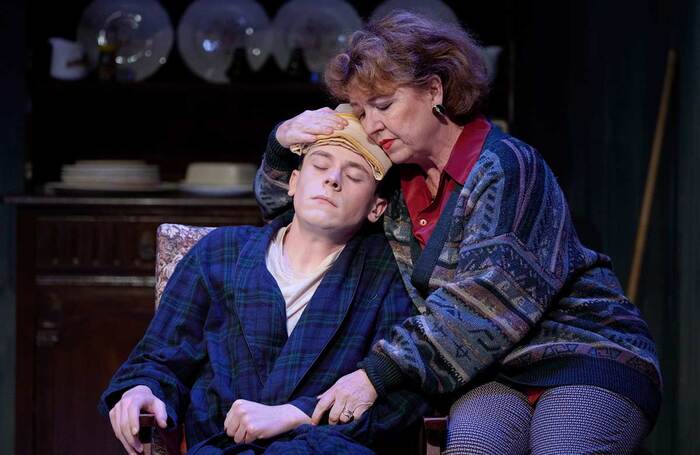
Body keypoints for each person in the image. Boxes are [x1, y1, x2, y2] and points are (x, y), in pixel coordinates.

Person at [254, 11, 662, 454]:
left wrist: (377, 373)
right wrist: (283, 140)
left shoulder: (506, 166)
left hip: (582, 353)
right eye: (362, 110)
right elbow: (287, 208)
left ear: (434, 89)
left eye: (384, 105)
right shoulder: (395, 187)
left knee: (565, 444)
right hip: (489, 371)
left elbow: (486, 301)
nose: (371, 124)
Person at [100, 105, 430, 455]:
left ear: (376, 207)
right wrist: (141, 389)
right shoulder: (220, 253)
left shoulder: (388, 275)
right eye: (319, 165)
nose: (332, 179)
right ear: (293, 182)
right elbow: (160, 358)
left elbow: (403, 399)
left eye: (354, 176)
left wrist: (298, 415)